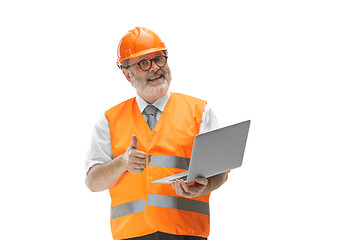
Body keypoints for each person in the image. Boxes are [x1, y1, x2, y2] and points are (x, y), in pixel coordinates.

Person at [85, 27, 229, 240]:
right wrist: (122, 163)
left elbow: (221, 173)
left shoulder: (200, 112)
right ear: (126, 74)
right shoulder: (109, 121)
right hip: (132, 235)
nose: (155, 68)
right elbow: (93, 182)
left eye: (159, 59)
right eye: (144, 63)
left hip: (187, 233)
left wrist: (205, 185)